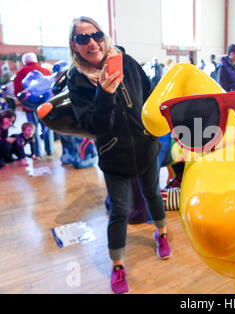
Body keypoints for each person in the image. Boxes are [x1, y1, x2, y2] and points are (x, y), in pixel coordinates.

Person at [67, 16, 170, 294]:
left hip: (147, 148)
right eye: (82, 38)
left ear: (104, 37)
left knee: (153, 195)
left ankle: (161, 234)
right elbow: (95, 127)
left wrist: (155, 128)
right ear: (74, 46)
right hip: (114, 157)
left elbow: (149, 96)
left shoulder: (126, 61)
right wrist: (104, 93)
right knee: (119, 211)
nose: (91, 42)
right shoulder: (77, 80)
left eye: (96, 34)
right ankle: (118, 266)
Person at [13, 52, 54, 157]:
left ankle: (37, 153)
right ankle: (50, 150)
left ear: (24, 61)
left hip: (29, 108)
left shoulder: (20, 72)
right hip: (45, 106)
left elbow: (17, 92)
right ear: (36, 60)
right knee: (47, 127)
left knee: (32, 129)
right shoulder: (45, 71)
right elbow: (52, 88)